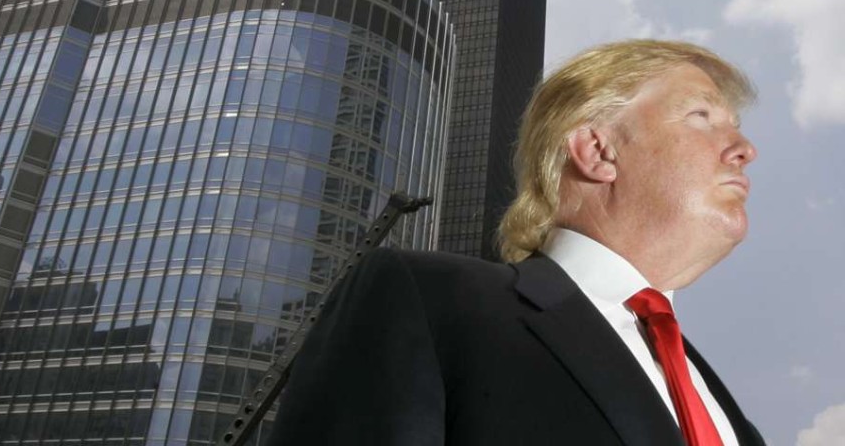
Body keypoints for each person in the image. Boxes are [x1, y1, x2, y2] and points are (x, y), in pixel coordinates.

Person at [267, 39, 766, 445]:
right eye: (702, 117)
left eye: (735, 129)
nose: (745, 149)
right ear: (597, 151)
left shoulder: (726, 410)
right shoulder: (428, 301)